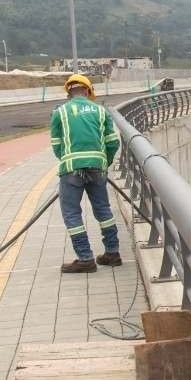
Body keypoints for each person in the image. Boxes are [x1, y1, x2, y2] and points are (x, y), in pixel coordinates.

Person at [50, 74, 121, 273]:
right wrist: (104, 161)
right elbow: (113, 142)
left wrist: (68, 160)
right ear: (88, 91)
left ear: (68, 92)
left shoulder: (59, 112)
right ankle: (113, 253)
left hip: (71, 169)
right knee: (103, 210)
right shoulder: (100, 111)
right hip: (98, 167)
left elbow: (56, 145)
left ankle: (85, 258)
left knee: (72, 213)